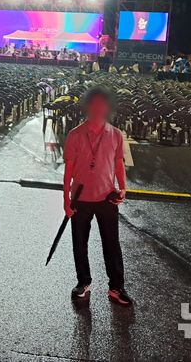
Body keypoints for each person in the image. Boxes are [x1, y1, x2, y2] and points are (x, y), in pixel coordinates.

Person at [63, 86, 131, 305]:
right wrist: (66, 199)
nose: (99, 109)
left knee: (112, 243)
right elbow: (68, 170)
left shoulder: (115, 134)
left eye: (103, 105)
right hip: (80, 198)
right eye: (95, 104)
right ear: (88, 107)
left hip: (106, 198)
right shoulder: (75, 135)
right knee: (79, 243)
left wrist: (123, 187)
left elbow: (118, 162)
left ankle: (116, 287)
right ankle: (83, 282)